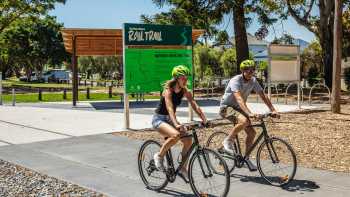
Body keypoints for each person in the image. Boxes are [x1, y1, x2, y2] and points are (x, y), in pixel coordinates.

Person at [219, 59, 279, 171]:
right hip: (226, 107)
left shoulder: (253, 81)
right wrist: (249, 113)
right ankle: (227, 140)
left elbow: (263, 95)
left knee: (252, 133)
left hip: (238, 108)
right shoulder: (235, 80)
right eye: (248, 70)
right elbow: (239, 98)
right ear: (242, 70)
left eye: (252, 70)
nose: (251, 72)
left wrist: (273, 110)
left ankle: (246, 158)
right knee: (244, 121)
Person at [152, 65, 208, 179]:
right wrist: (176, 123)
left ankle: (183, 168)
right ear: (176, 78)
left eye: (186, 78)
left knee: (188, 140)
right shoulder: (168, 91)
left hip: (171, 119)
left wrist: (204, 118)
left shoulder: (184, 90)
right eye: (183, 78)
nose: (185, 80)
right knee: (176, 135)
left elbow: (194, 104)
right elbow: (169, 108)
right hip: (159, 119)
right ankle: (159, 156)